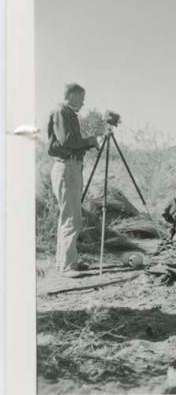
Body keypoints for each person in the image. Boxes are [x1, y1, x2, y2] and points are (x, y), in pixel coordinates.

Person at [48, 83, 98, 277]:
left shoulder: (69, 114)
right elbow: (67, 141)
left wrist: (88, 142)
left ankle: (67, 261)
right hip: (67, 168)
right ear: (70, 95)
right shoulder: (62, 111)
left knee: (68, 217)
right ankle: (68, 266)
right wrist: (90, 141)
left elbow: (70, 142)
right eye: (81, 98)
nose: (83, 102)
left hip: (71, 167)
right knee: (71, 218)